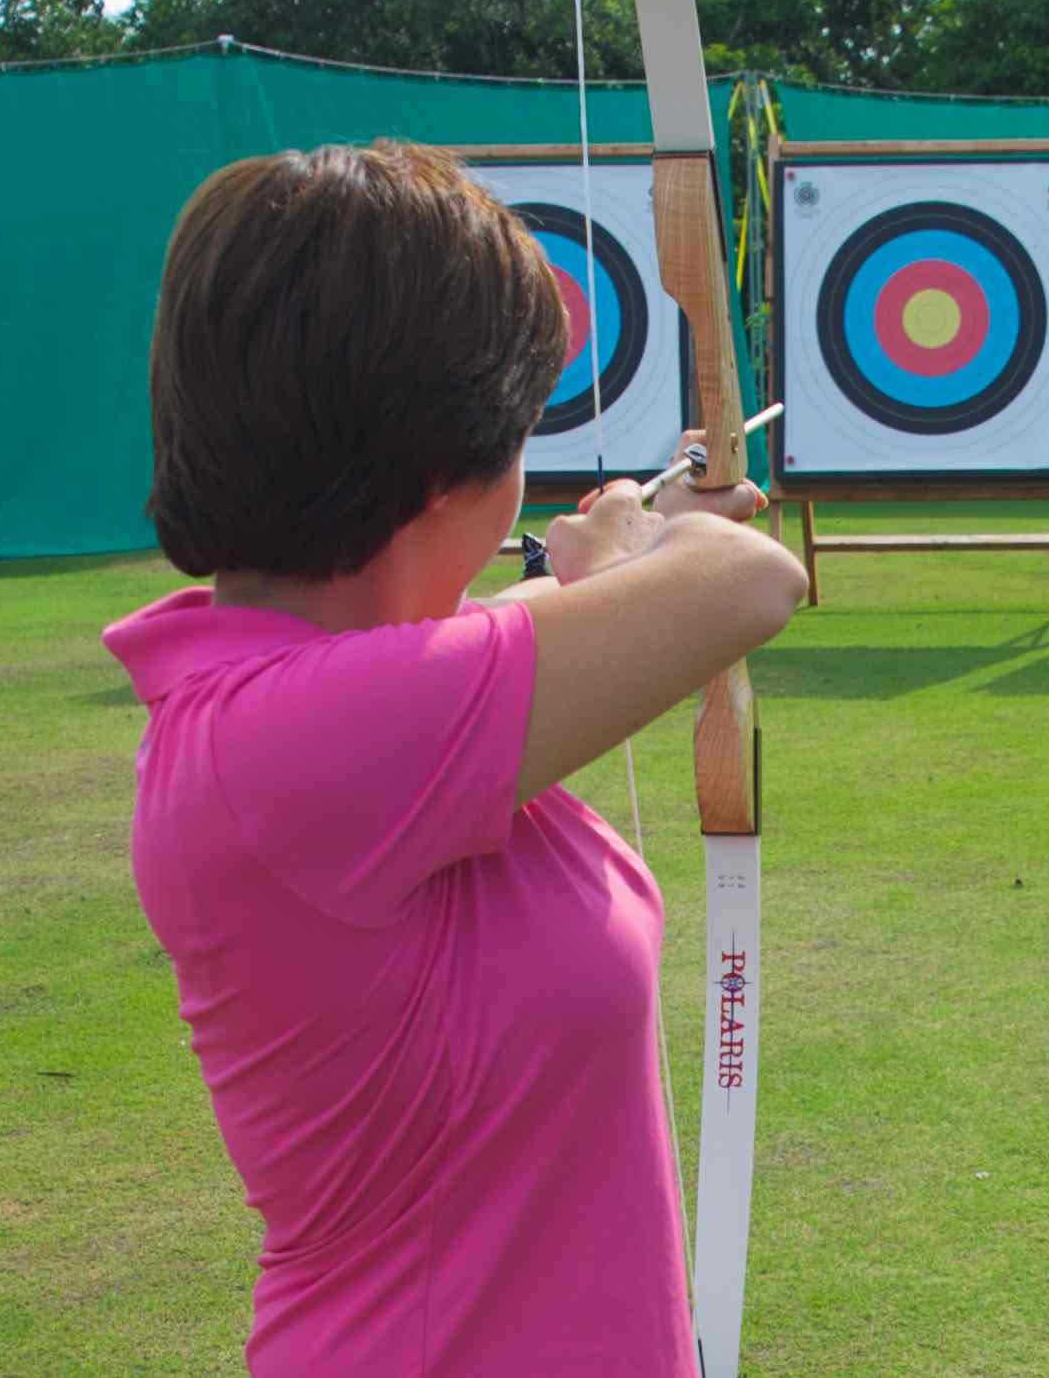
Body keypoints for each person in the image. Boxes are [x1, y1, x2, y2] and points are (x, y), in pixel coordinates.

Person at [103, 142, 808, 1374]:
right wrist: (643, 550)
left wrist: (591, 579)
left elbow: (489, 650)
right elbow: (750, 581)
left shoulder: (330, 712)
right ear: (445, 457)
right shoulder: (286, 746)